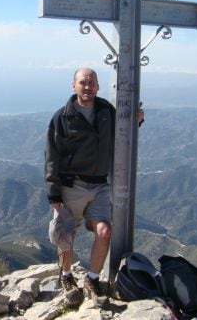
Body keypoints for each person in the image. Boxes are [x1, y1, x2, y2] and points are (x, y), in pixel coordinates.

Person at [45, 67, 143, 307]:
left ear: (98, 87)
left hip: (100, 185)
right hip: (72, 184)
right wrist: (53, 192)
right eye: (82, 82)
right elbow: (52, 155)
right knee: (68, 234)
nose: (87, 87)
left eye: (91, 83)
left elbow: (119, 135)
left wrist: (136, 121)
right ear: (73, 86)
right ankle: (67, 276)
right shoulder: (63, 117)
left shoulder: (105, 111)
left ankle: (92, 278)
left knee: (105, 232)